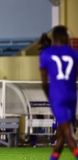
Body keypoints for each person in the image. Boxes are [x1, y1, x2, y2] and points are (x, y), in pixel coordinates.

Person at [40, 25, 78, 160]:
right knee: (62, 133)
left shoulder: (46, 54)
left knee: (67, 133)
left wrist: (50, 98)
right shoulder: (74, 53)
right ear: (63, 37)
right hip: (73, 96)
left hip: (57, 96)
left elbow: (44, 82)